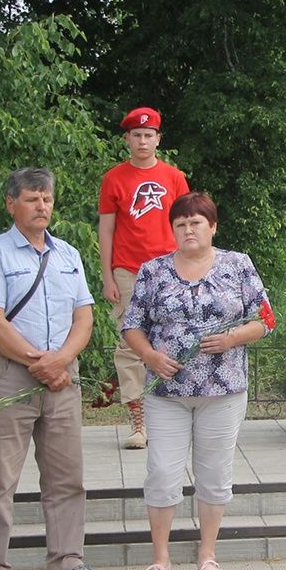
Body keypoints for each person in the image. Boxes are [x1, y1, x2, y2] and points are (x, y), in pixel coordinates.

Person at [122, 192, 273, 570]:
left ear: (213, 226)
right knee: (162, 474)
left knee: (215, 473)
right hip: (167, 391)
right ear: (172, 230)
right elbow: (131, 325)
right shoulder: (153, 270)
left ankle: (207, 554)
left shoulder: (237, 265)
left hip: (222, 392)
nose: (189, 229)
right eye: (181, 223)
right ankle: (160, 557)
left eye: (197, 222)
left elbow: (266, 319)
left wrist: (234, 337)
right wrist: (151, 356)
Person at [0, 168, 108, 570]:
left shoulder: (68, 253)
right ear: (11, 203)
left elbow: (84, 316)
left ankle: (67, 560)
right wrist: (40, 362)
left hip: (61, 379)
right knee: (0, 479)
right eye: (32, 199)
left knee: (67, 477)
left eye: (47, 199)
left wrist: (63, 361)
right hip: (9, 376)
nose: (42, 207)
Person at [99, 107, 191, 449]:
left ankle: (175, 412)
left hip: (169, 267)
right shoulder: (114, 178)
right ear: (127, 139)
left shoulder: (173, 177)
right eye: (136, 135)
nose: (142, 140)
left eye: (148, 135)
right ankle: (138, 420)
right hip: (128, 268)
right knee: (131, 343)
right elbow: (106, 228)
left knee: (172, 336)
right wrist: (107, 275)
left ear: (158, 139)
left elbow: (187, 224)